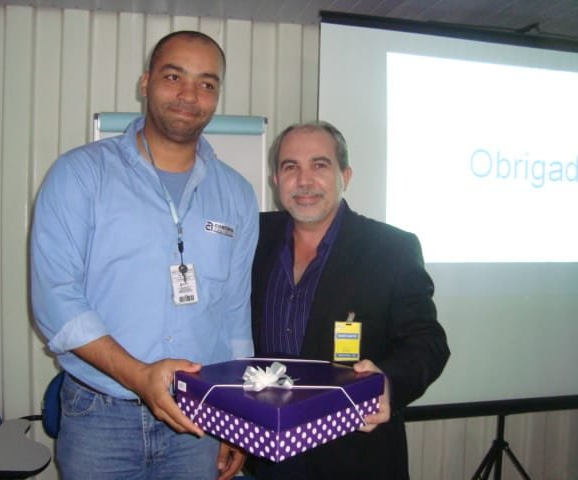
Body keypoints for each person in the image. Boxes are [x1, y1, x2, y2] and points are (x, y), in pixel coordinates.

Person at [30, 31, 258, 480]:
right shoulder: (80, 174)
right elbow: (55, 300)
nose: (189, 94)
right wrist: (139, 376)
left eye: (206, 83)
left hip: (200, 413)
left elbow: (235, 315)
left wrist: (237, 412)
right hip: (99, 417)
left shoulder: (237, 194)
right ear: (145, 82)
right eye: (174, 76)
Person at [250, 121, 449, 479]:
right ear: (276, 180)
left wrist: (387, 382)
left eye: (319, 165)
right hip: (267, 454)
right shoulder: (254, 237)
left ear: (345, 176)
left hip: (354, 454)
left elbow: (427, 342)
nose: (304, 180)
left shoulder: (391, 249)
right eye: (291, 167)